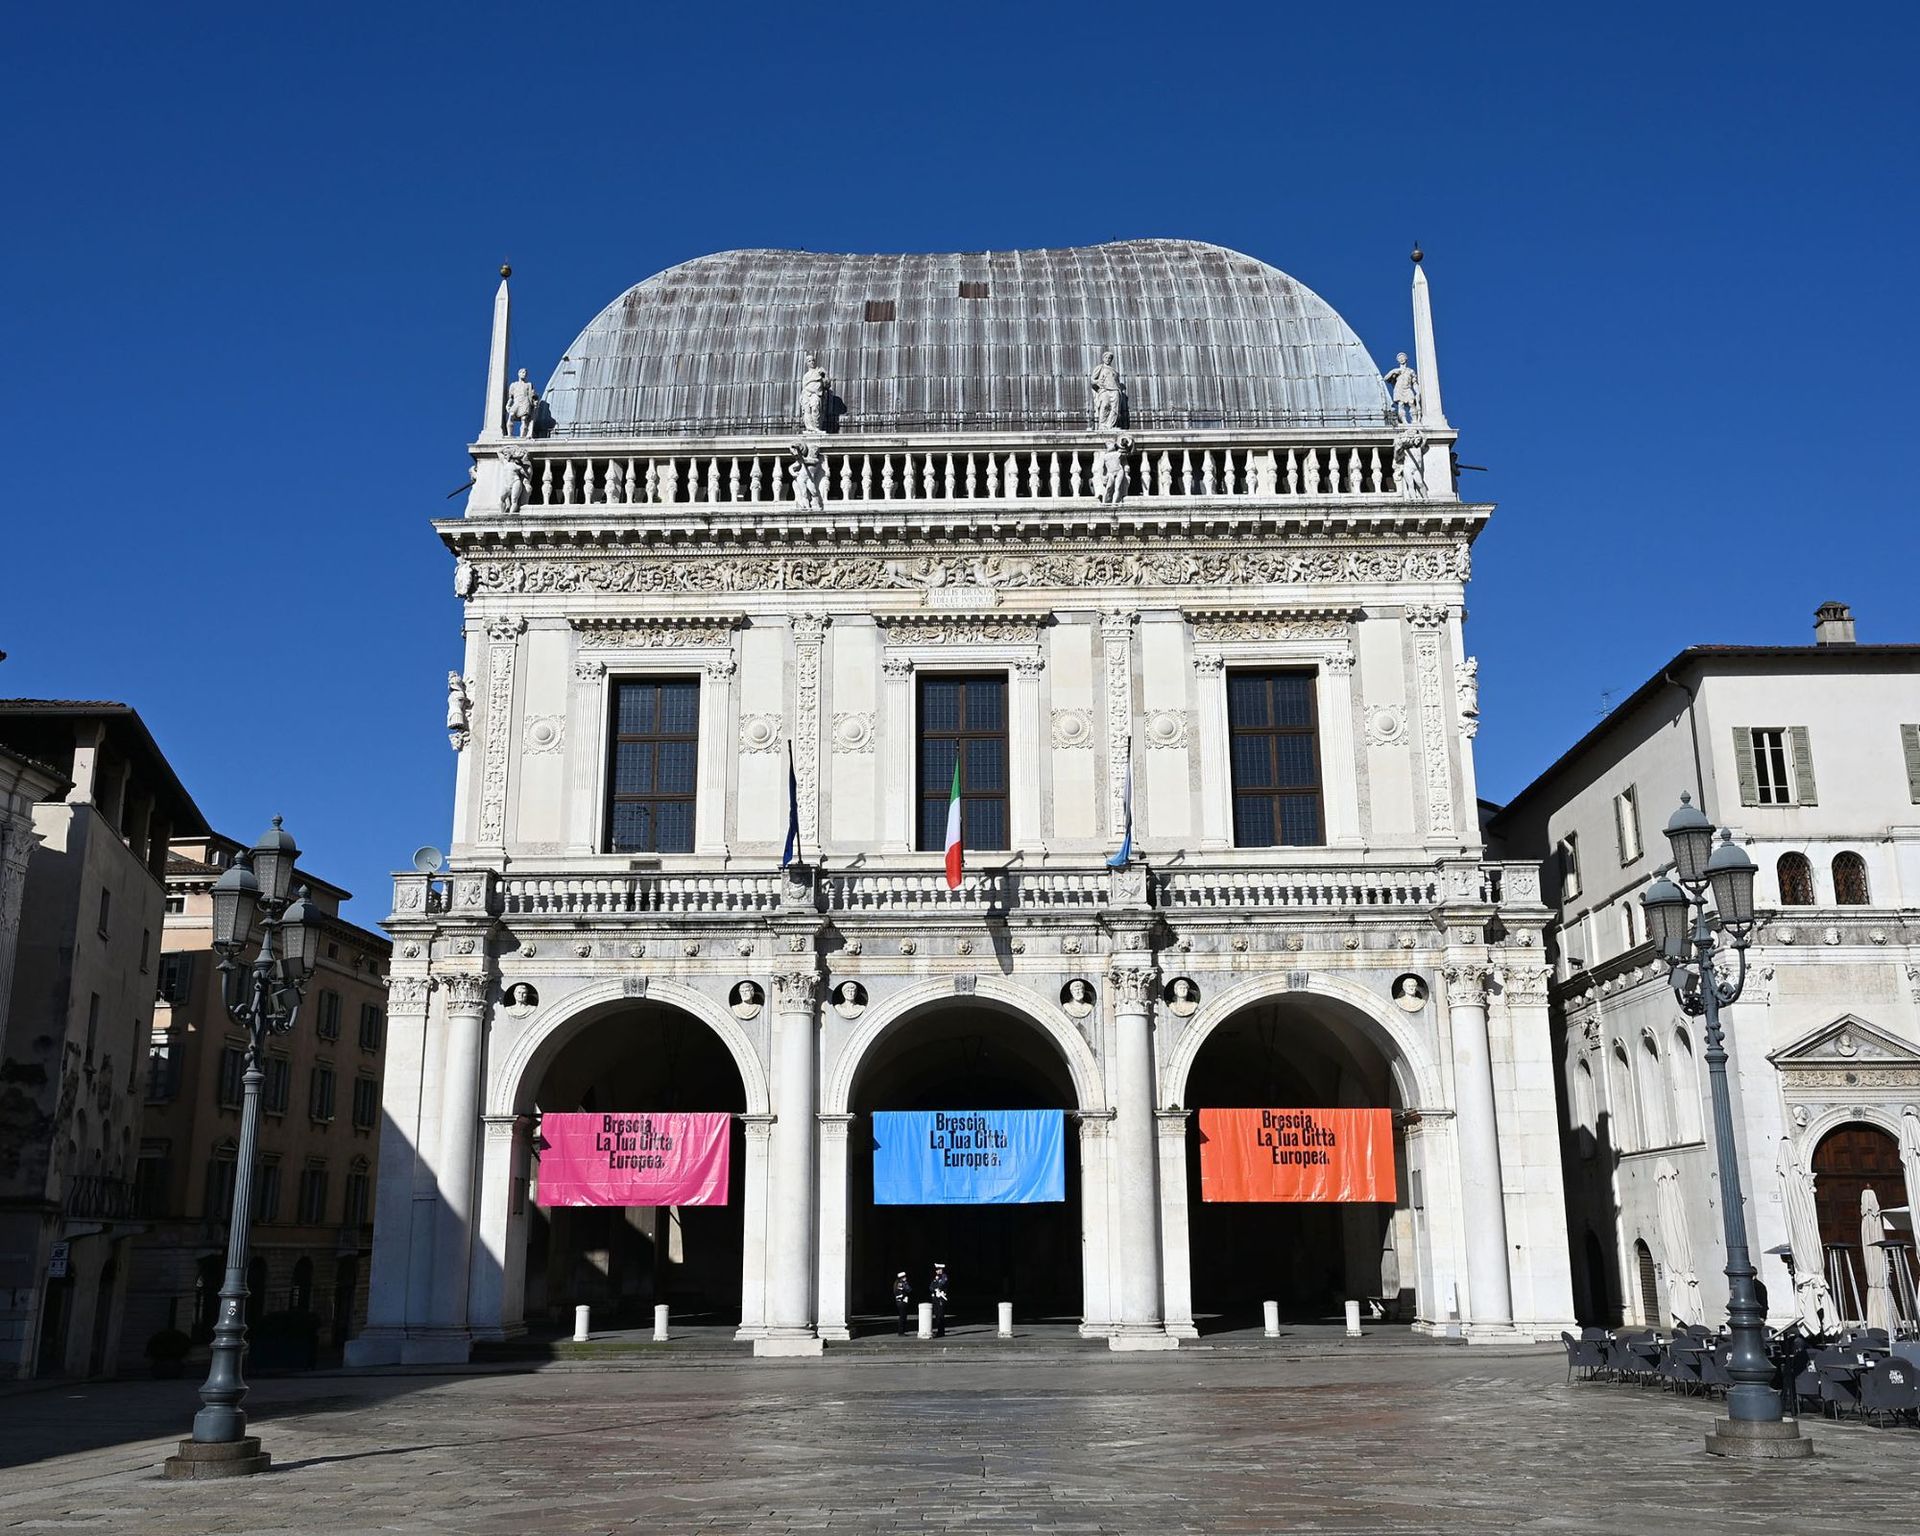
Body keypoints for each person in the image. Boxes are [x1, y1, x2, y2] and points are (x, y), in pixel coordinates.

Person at [930, 1262, 949, 1338]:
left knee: (941, 1315)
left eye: (938, 1270)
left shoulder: (944, 1277)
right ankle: (939, 1331)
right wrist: (935, 1289)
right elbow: (931, 1287)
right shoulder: (936, 1278)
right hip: (936, 1297)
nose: (936, 1271)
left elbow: (942, 1284)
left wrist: (936, 1287)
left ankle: (941, 1331)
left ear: (941, 1270)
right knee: (937, 1315)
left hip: (941, 1297)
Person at [893, 1271, 912, 1336]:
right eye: (904, 1277)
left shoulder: (897, 1283)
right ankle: (901, 1332)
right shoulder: (901, 1284)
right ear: (901, 1278)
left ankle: (902, 1331)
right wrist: (906, 1283)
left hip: (901, 1301)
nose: (905, 1278)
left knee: (903, 1316)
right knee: (902, 1317)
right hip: (901, 1302)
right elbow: (908, 1290)